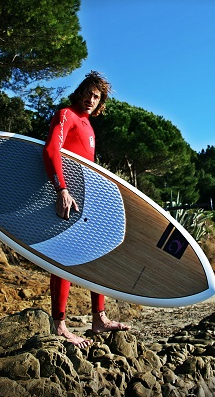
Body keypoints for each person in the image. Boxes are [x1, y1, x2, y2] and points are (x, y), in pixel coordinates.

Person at [43, 71, 130, 349]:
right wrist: (61, 190)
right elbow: (51, 151)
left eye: (97, 96)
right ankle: (59, 325)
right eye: (89, 93)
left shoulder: (89, 126)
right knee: (64, 258)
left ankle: (99, 319)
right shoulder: (66, 114)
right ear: (80, 91)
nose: (91, 100)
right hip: (65, 197)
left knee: (97, 254)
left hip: (85, 200)